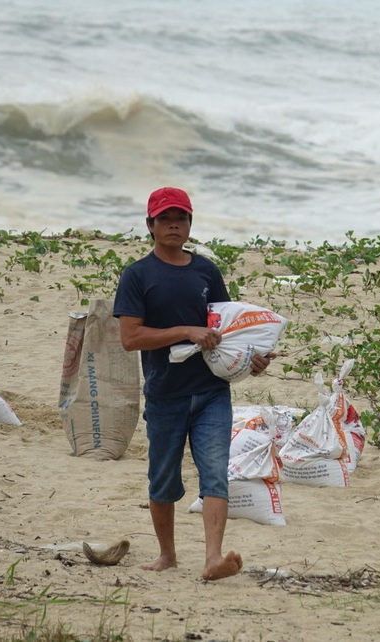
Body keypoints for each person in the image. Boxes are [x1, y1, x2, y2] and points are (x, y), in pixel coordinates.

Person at [113, 186, 274, 580]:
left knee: (215, 472)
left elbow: (227, 329)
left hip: (211, 392)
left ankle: (213, 558)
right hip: (165, 394)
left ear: (190, 224)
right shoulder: (137, 275)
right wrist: (186, 330)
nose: (174, 225)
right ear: (150, 225)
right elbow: (131, 338)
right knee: (163, 479)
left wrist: (251, 359)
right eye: (165, 218)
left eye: (181, 218)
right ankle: (167, 556)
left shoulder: (206, 271)